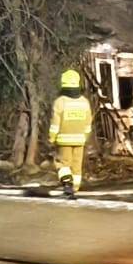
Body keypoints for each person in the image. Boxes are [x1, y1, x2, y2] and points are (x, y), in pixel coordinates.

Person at [47, 69, 92, 197]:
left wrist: (51, 138)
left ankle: (67, 185)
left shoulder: (59, 102)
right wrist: (85, 137)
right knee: (76, 166)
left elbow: (55, 124)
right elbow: (88, 123)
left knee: (63, 163)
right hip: (80, 140)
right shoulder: (84, 102)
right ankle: (75, 188)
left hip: (63, 140)